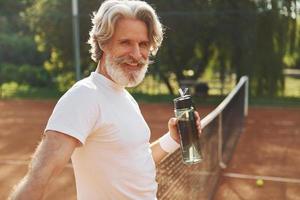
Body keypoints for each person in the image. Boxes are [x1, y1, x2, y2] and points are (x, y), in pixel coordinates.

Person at [9, 0, 202, 199]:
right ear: (103, 42)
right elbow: (39, 178)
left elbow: (135, 164)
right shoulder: (84, 96)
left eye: (143, 44)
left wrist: (172, 139)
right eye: (125, 42)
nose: (137, 55)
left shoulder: (125, 98)